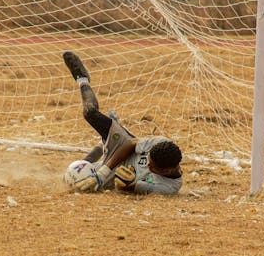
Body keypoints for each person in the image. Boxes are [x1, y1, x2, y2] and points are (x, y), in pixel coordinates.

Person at [63, 51, 183, 195]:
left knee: (74, 179)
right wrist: (102, 173)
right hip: (122, 147)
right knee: (90, 114)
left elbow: (129, 188)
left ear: (167, 170)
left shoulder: (166, 188)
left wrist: (126, 183)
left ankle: (103, 144)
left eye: (152, 166)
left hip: (112, 174)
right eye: (148, 160)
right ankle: (82, 79)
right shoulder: (160, 144)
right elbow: (131, 143)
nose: (147, 164)